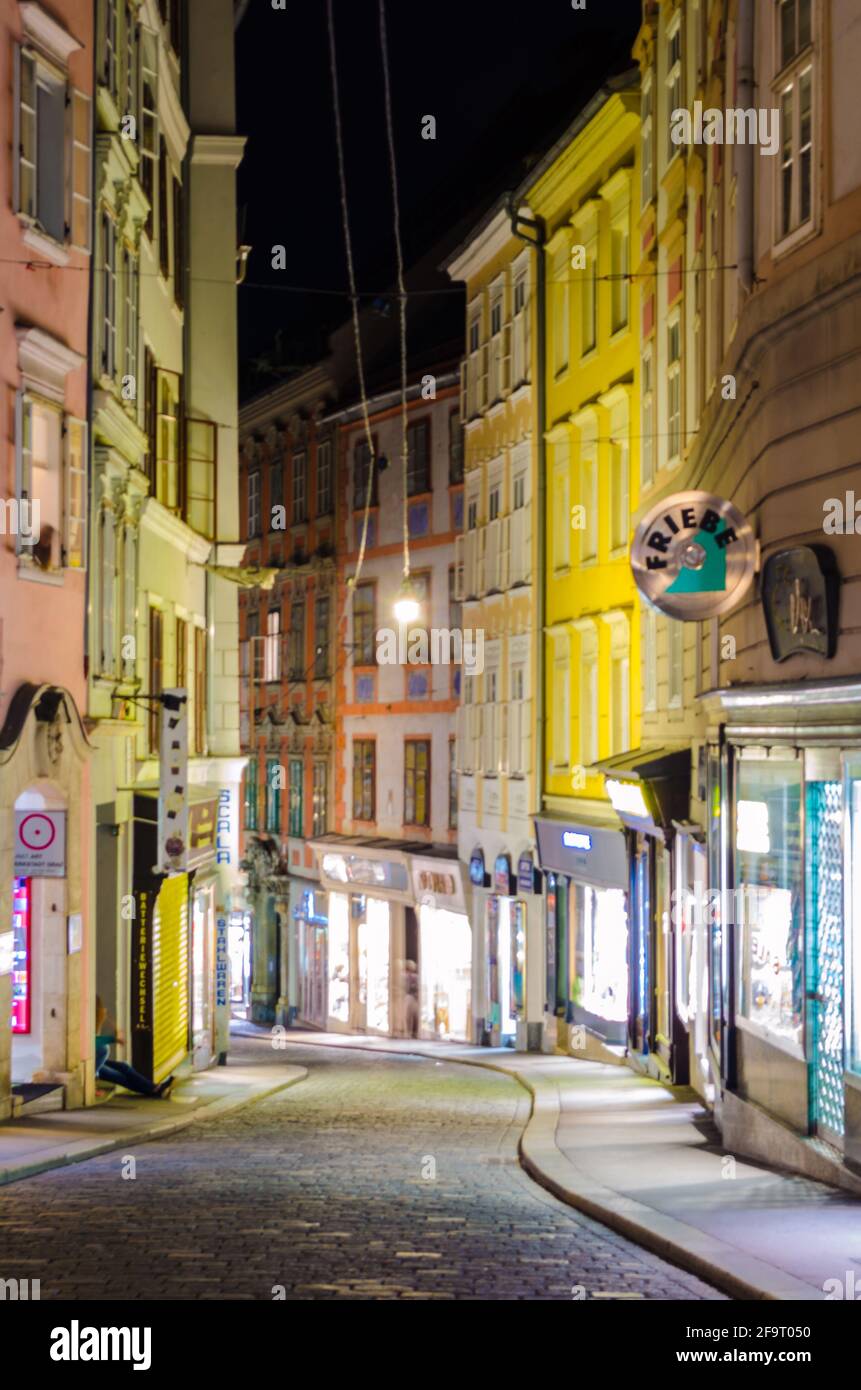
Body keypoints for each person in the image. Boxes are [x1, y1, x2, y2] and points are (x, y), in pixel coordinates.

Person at [95, 997, 173, 1099]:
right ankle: (154, 1090)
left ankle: (154, 1089)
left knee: (123, 1067)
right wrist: (114, 1039)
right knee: (119, 1076)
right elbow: (93, 1042)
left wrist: (100, 1021)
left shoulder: (92, 1022)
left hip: (96, 1061)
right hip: (93, 1064)